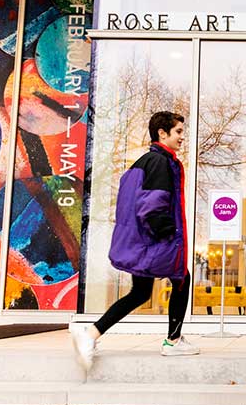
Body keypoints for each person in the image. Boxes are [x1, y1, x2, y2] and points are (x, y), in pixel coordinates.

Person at [71, 111, 199, 370]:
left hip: (141, 241)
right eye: (178, 132)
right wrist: (168, 234)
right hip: (154, 241)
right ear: (162, 133)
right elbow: (151, 206)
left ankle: (92, 334)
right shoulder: (160, 162)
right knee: (181, 279)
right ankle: (173, 341)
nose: (182, 138)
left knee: (142, 291)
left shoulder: (143, 162)